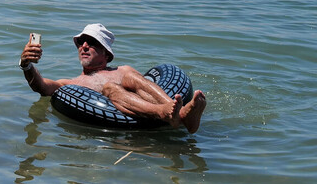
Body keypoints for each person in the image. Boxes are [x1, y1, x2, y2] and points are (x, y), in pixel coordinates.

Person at [20, 23, 206, 133]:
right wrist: (26, 64)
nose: (84, 46)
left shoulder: (123, 70)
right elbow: (41, 87)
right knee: (111, 88)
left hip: (143, 103)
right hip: (120, 115)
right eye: (80, 43)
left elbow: (142, 86)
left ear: (106, 54)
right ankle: (175, 115)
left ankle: (176, 113)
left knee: (131, 76)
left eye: (91, 43)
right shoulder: (71, 84)